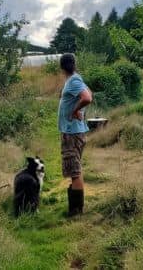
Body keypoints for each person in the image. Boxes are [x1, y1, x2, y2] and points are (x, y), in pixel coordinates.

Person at [57, 52, 93, 217]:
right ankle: (76, 208)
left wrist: (75, 110)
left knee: (75, 171)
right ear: (74, 64)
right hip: (74, 131)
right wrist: (77, 109)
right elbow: (89, 93)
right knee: (75, 170)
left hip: (71, 133)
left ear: (62, 67)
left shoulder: (73, 81)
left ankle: (76, 211)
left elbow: (87, 97)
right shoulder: (76, 79)